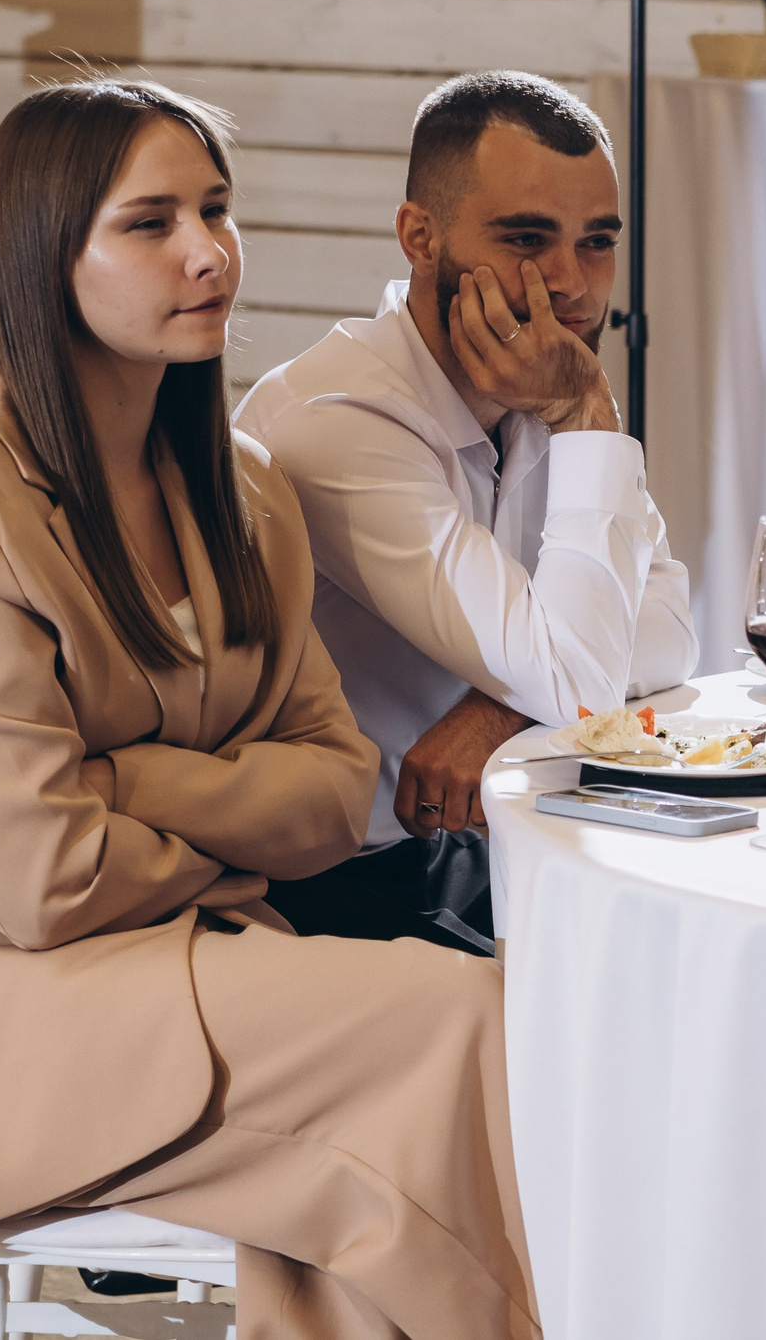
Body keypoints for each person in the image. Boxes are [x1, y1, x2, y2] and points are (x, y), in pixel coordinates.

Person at [0, 80, 537, 1339]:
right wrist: (226, 814)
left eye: (215, 209)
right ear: (50, 255)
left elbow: (331, 792)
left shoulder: (246, 493)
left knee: (454, 1079)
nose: (208, 253)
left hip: (205, 957)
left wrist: (130, 782)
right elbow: (42, 884)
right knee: (455, 1020)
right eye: (150, 223)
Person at [236, 71, 695, 951]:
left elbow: (672, 625)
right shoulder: (336, 422)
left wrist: (504, 711)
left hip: (475, 849)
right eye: (527, 237)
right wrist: (588, 415)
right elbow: (580, 678)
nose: (571, 283)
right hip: (323, 889)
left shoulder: (540, 391)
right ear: (420, 236)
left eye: (597, 242)